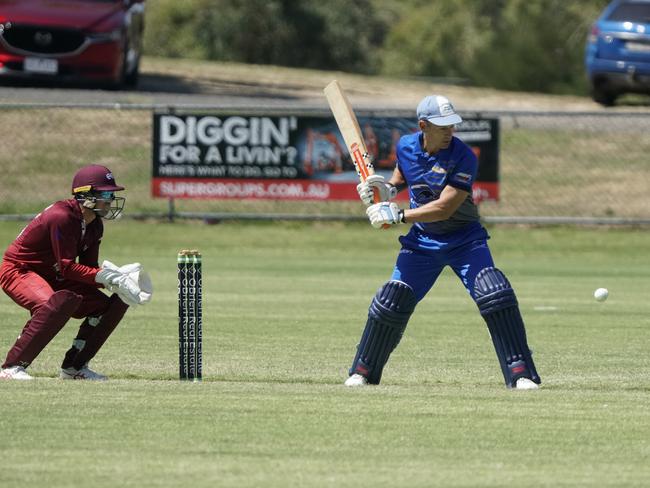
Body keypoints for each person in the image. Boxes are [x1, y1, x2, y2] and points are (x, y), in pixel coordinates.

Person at [345, 95, 541, 390]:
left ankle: (521, 373)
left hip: (464, 239)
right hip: (423, 242)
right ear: (424, 125)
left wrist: (398, 215)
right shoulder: (407, 147)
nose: (450, 131)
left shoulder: (464, 157)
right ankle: (362, 371)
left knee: (494, 292)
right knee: (391, 300)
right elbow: (401, 176)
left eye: (452, 125)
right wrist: (383, 190)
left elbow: (445, 208)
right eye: (443, 126)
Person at [0, 164, 143, 381]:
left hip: (56, 274)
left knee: (112, 305)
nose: (110, 200)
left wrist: (117, 281)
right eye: (105, 193)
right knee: (52, 304)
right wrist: (104, 277)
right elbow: (67, 266)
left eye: (111, 194)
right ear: (85, 194)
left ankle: (74, 368)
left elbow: (87, 269)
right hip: (20, 270)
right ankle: (11, 367)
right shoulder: (61, 216)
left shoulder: (95, 225)